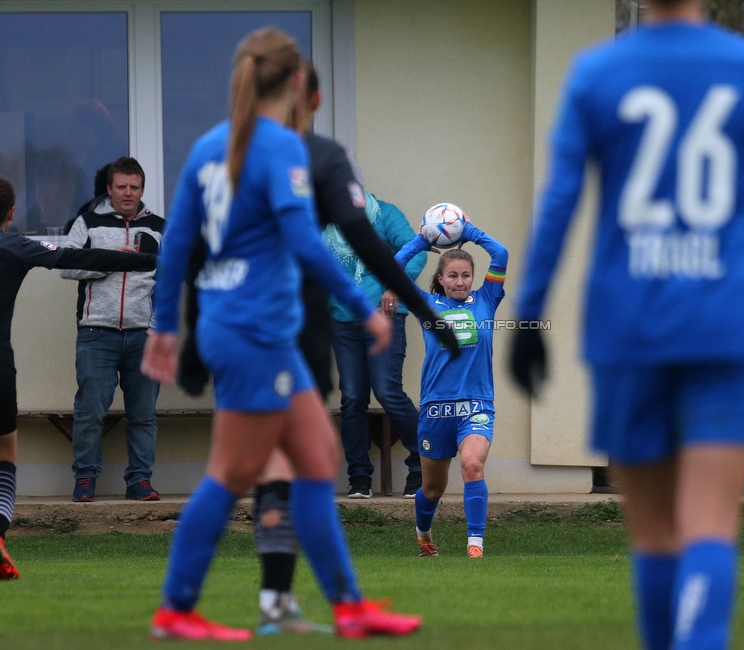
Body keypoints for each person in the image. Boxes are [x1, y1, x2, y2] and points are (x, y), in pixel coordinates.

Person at [509, 1, 744, 648]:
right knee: (709, 523)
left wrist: (529, 316)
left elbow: (560, 200)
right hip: (727, 321)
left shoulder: (596, 72)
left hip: (628, 323)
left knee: (652, 533)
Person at [141, 29, 421, 641]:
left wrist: (166, 326)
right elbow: (303, 242)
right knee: (231, 474)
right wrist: (363, 304)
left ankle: (349, 607)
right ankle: (176, 609)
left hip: (234, 329)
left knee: (318, 462)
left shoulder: (207, 148)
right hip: (255, 334)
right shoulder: (282, 149)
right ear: (298, 83)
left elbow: (178, 249)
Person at [0, 175, 156, 580]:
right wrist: (142, 259)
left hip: (134, 332)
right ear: (11, 214)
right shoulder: (15, 246)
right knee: (6, 453)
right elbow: (77, 258)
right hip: (0, 365)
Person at [396, 219, 508, 559]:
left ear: (473, 278)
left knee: (472, 464)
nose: (460, 282)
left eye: (465, 275)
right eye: (452, 276)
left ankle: (475, 546)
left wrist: (471, 231)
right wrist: (420, 240)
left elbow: (500, 253)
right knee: (432, 488)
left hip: (476, 405)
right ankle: (424, 533)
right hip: (436, 409)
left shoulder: (487, 300)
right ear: (441, 279)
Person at [60, 156, 165, 502]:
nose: (128, 193)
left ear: (142, 189)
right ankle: (86, 479)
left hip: (143, 335)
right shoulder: (88, 221)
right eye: (121, 186)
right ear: (109, 188)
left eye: (134, 187)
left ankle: (140, 481)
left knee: (144, 414)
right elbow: (65, 264)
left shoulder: (160, 227)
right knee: (90, 410)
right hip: (96, 333)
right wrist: (109, 260)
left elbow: (171, 280)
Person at [328, 192, 425, 500]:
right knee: (352, 397)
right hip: (342, 320)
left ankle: (422, 465)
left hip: (384, 317)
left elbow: (416, 251)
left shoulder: (384, 214)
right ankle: (359, 477)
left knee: (387, 392)